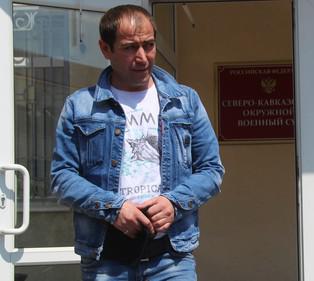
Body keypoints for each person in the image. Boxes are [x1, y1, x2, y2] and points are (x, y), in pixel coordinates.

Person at [50, 4, 224, 281]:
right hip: (107, 256)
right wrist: (114, 209)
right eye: (130, 47)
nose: (142, 57)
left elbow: (212, 170)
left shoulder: (184, 101)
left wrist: (173, 203)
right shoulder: (80, 107)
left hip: (171, 255)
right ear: (105, 49)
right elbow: (62, 177)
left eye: (149, 45)